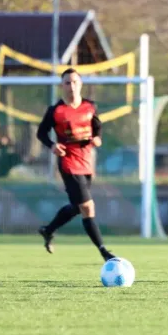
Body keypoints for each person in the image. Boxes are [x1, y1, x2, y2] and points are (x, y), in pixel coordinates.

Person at [36, 68, 115, 262]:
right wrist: (53, 145)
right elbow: (41, 133)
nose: (71, 86)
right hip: (68, 163)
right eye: (67, 83)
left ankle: (48, 230)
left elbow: (97, 128)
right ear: (61, 86)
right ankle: (104, 252)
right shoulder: (55, 111)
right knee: (88, 206)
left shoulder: (90, 107)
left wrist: (97, 138)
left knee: (77, 206)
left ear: (80, 84)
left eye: (74, 82)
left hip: (87, 162)